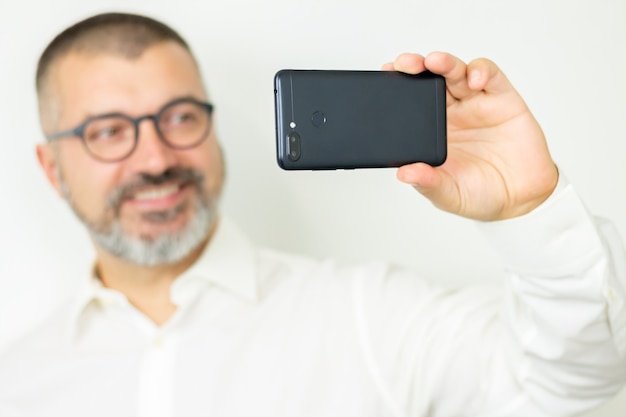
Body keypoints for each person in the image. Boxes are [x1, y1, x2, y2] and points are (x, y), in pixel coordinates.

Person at [0, 11, 624, 417]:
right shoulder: (17, 384)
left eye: (181, 117)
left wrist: (530, 210)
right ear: (52, 167)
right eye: (109, 131)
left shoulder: (371, 316)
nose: (157, 158)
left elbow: (572, 388)